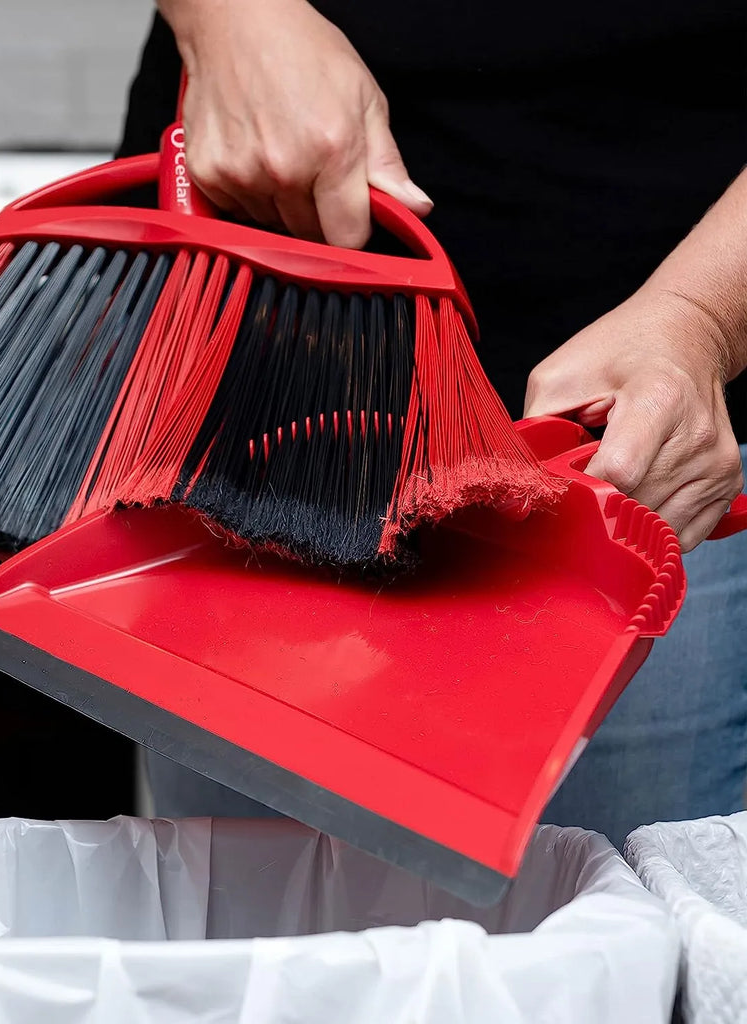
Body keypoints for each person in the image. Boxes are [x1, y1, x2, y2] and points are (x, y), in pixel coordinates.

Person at [116, 0, 747, 849]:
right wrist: (233, 20)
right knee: (252, 910)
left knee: (607, 903)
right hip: (251, 366)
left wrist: (702, 317)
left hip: (642, 412)